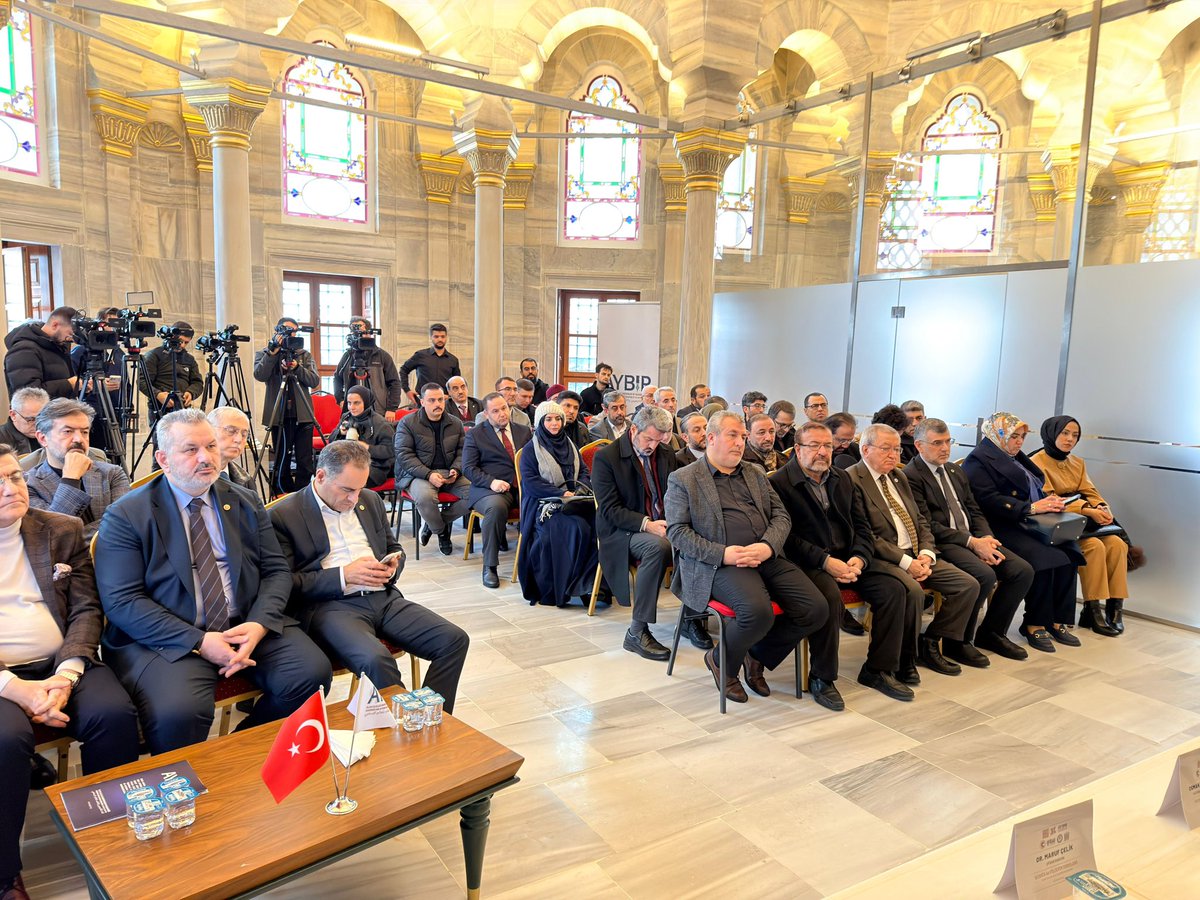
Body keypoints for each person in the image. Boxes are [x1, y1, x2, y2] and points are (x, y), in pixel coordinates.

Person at [93, 409, 333, 754]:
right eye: (190, 450)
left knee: (310, 675)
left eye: (210, 446)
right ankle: (189, 776)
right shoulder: (127, 514)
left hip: (244, 624)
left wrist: (259, 624)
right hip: (168, 638)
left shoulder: (244, 500)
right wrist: (199, 641)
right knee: (179, 712)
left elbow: (276, 571)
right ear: (163, 459)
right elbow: (123, 601)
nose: (206, 458)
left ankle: (238, 755)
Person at [0, 444, 139, 900]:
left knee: (114, 715)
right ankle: (4, 874)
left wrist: (67, 674)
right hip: (2, 677)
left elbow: (85, 608)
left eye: (14, 477)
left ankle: (111, 843)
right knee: (5, 740)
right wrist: (17, 689)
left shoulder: (60, 528)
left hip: (63, 661)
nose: (10, 489)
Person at [270, 441, 469, 709]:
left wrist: (392, 566)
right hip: (332, 606)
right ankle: (401, 727)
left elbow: (393, 547)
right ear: (321, 476)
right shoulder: (284, 514)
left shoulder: (370, 500)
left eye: (359, 489)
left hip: (384, 598)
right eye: (347, 490)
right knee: (377, 660)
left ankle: (430, 718)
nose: (354, 499)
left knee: (453, 640)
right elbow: (285, 583)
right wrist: (344, 575)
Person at [666, 410, 831, 704]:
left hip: (765, 555)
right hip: (719, 563)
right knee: (758, 612)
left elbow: (781, 516)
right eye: (733, 435)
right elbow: (677, 532)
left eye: (743, 437)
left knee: (816, 608)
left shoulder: (754, 472)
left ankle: (757, 655)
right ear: (711, 438)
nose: (740, 443)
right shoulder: (685, 478)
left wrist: (767, 546)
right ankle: (723, 662)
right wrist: (723, 554)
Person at [770, 422, 917, 703]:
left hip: (849, 558)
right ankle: (822, 677)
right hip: (809, 561)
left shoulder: (842, 478)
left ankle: (878, 669)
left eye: (827, 445)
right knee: (829, 597)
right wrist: (825, 562)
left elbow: (862, 527)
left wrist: (859, 558)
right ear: (797, 449)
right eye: (814, 445)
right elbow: (787, 539)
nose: (822, 452)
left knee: (893, 589)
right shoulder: (779, 483)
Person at [846, 424, 980, 678]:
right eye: (886, 449)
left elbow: (920, 520)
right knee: (914, 592)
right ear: (865, 449)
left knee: (968, 585)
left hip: (916, 553)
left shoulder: (898, 476)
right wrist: (907, 563)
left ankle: (930, 642)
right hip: (883, 557)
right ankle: (905, 660)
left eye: (897, 449)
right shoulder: (852, 479)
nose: (893, 455)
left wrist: (927, 553)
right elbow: (865, 535)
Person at [906, 419, 1035, 661]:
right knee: (984, 575)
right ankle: (956, 641)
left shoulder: (955, 471)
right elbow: (926, 524)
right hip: (943, 542)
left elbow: (974, 510)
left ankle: (992, 632)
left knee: (1022, 570)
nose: (945, 448)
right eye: (937, 443)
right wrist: (972, 543)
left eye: (948, 441)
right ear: (919, 445)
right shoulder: (911, 475)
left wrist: (985, 537)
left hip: (973, 538)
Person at [962, 413, 1084, 654]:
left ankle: (1057, 619)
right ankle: (1034, 623)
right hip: (999, 524)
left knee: (1070, 552)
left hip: (1027, 519)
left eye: (1022, 436)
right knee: (1045, 557)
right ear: (997, 434)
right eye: (1014, 436)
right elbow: (986, 500)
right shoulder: (979, 459)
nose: (1019, 441)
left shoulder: (1013, 455)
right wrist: (1031, 507)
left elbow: (1033, 486)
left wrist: (1048, 502)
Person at [593, 406, 709, 660]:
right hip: (623, 530)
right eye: (649, 439)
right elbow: (610, 510)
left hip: (664, 524)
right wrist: (648, 524)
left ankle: (691, 618)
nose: (653, 446)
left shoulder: (665, 452)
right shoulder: (607, 457)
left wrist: (677, 523)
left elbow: (676, 494)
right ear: (634, 429)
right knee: (658, 547)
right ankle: (636, 631)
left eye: (659, 440)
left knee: (697, 541)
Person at [1030, 416, 1128, 637]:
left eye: (1075, 435)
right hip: (1058, 524)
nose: (1070, 439)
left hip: (1083, 523)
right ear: (1051, 433)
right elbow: (1049, 499)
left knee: (1117, 544)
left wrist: (1102, 507)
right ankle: (1092, 608)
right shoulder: (1036, 462)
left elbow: (1090, 491)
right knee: (1094, 546)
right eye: (1064, 433)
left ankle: (1115, 606)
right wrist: (1087, 510)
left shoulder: (1077, 462)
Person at [517, 401, 599, 607]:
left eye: (558, 419)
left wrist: (578, 491)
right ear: (540, 422)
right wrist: (561, 493)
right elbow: (531, 483)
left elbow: (584, 472)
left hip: (575, 502)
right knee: (577, 528)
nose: (554, 423)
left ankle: (590, 585)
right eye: (549, 419)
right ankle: (567, 587)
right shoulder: (530, 449)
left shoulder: (570, 445)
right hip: (543, 506)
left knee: (598, 525)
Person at [24, 399, 130, 539]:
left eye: (84, 432)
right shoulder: (28, 485)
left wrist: (75, 538)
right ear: (43, 438)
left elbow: (124, 525)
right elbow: (53, 535)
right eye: (68, 431)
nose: (79, 439)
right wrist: (70, 479)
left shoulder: (112, 473)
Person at [462, 392, 531, 588]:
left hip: (522, 487)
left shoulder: (524, 431)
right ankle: (490, 566)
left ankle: (537, 560)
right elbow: (468, 468)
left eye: (504, 408)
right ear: (486, 414)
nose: (502, 413)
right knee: (496, 507)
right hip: (489, 489)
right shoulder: (476, 434)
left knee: (545, 504)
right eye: (495, 411)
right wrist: (492, 482)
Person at [394, 383, 469, 555]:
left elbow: (463, 452)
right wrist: (428, 475)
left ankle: (434, 523)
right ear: (422, 402)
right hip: (418, 474)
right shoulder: (408, 423)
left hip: (449, 473)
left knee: (477, 494)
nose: (438, 404)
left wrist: (456, 469)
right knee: (425, 498)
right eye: (432, 400)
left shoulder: (455, 423)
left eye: (440, 400)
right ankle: (442, 532)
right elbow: (404, 455)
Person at [253, 316, 320, 493]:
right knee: (282, 457)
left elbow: (314, 381)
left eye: (293, 331)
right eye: (286, 330)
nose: (290, 334)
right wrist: (272, 354)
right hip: (279, 414)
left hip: (302, 414)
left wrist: (297, 367)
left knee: (304, 460)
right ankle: (283, 494)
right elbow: (260, 375)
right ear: (277, 330)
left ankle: (304, 494)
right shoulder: (265, 353)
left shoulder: (304, 354)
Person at [69, 306, 124, 454]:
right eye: (111, 323)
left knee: (117, 452)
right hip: (93, 411)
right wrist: (95, 385)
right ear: (100, 324)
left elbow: (126, 382)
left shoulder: (118, 352)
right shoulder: (82, 351)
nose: (114, 328)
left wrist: (128, 406)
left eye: (118, 323)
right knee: (97, 453)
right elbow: (73, 381)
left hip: (116, 410)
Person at [333, 316, 403, 421]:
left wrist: (391, 408)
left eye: (360, 328)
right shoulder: (348, 355)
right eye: (354, 329)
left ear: (369, 332)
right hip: (352, 411)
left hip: (378, 410)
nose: (357, 333)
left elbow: (395, 383)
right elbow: (337, 378)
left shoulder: (382, 355)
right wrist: (340, 399)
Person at [3, 306, 79, 399]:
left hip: (59, 407)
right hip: (39, 409)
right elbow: (28, 394)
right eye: (70, 334)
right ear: (55, 325)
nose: (71, 339)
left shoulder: (58, 346)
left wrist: (78, 387)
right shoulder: (23, 350)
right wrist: (70, 384)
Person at [333, 386, 395, 489]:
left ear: (366, 402)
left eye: (356, 403)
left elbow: (392, 450)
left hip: (374, 468)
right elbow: (331, 442)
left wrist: (367, 448)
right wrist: (340, 432)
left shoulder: (380, 423)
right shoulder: (347, 417)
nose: (352, 407)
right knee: (330, 476)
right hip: (348, 463)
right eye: (349, 403)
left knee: (345, 482)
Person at [139, 321, 204, 412]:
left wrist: (191, 393)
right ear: (172, 337)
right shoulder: (154, 355)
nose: (182, 345)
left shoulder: (190, 359)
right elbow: (142, 381)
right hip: (160, 407)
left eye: (186, 342)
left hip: (183, 407)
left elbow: (197, 383)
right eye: (181, 341)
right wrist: (158, 394)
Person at [398, 323, 461, 407]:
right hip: (423, 402)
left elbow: (457, 382)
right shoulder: (420, 355)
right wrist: (407, 390)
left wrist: (450, 396)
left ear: (446, 337)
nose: (440, 339)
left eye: (442, 336)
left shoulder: (453, 360)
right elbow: (403, 370)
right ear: (431, 337)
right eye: (436, 336)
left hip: (445, 403)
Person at [207, 406, 257, 491]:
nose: (238, 439)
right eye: (231, 431)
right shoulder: (189, 477)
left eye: (244, 435)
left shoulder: (246, 481)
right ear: (209, 430)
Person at [0, 387, 48, 457]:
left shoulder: (51, 433)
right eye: (31, 419)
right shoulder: (2, 440)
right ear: (13, 415)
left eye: (42, 418)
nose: (38, 424)